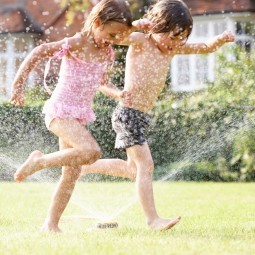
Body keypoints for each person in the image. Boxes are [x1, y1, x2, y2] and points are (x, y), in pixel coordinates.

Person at [80, 0, 235, 231]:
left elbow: (203, 47)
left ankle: (83, 167)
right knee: (146, 165)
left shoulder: (172, 48)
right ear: (154, 28)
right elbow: (114, 37)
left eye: (182, 38)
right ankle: (153, 220)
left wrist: (219, 40)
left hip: (141, 116)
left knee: (133, 169)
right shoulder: (141, 41)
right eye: (172, 36)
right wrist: (134, 27)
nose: (176, 43)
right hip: (127, 113)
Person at [9, 0, 133, 232]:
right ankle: (39, 161)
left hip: (77, 116)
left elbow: (102, 83)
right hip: (59, 112)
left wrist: (118, 94)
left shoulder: (106, 53)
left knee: (70, 175)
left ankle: (51, 225)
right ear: (97, 23)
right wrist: (18, 85)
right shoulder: (77, 43)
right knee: (92, 152)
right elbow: (38, 51)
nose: (113, 40)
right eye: (110, 34)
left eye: (118, 37)